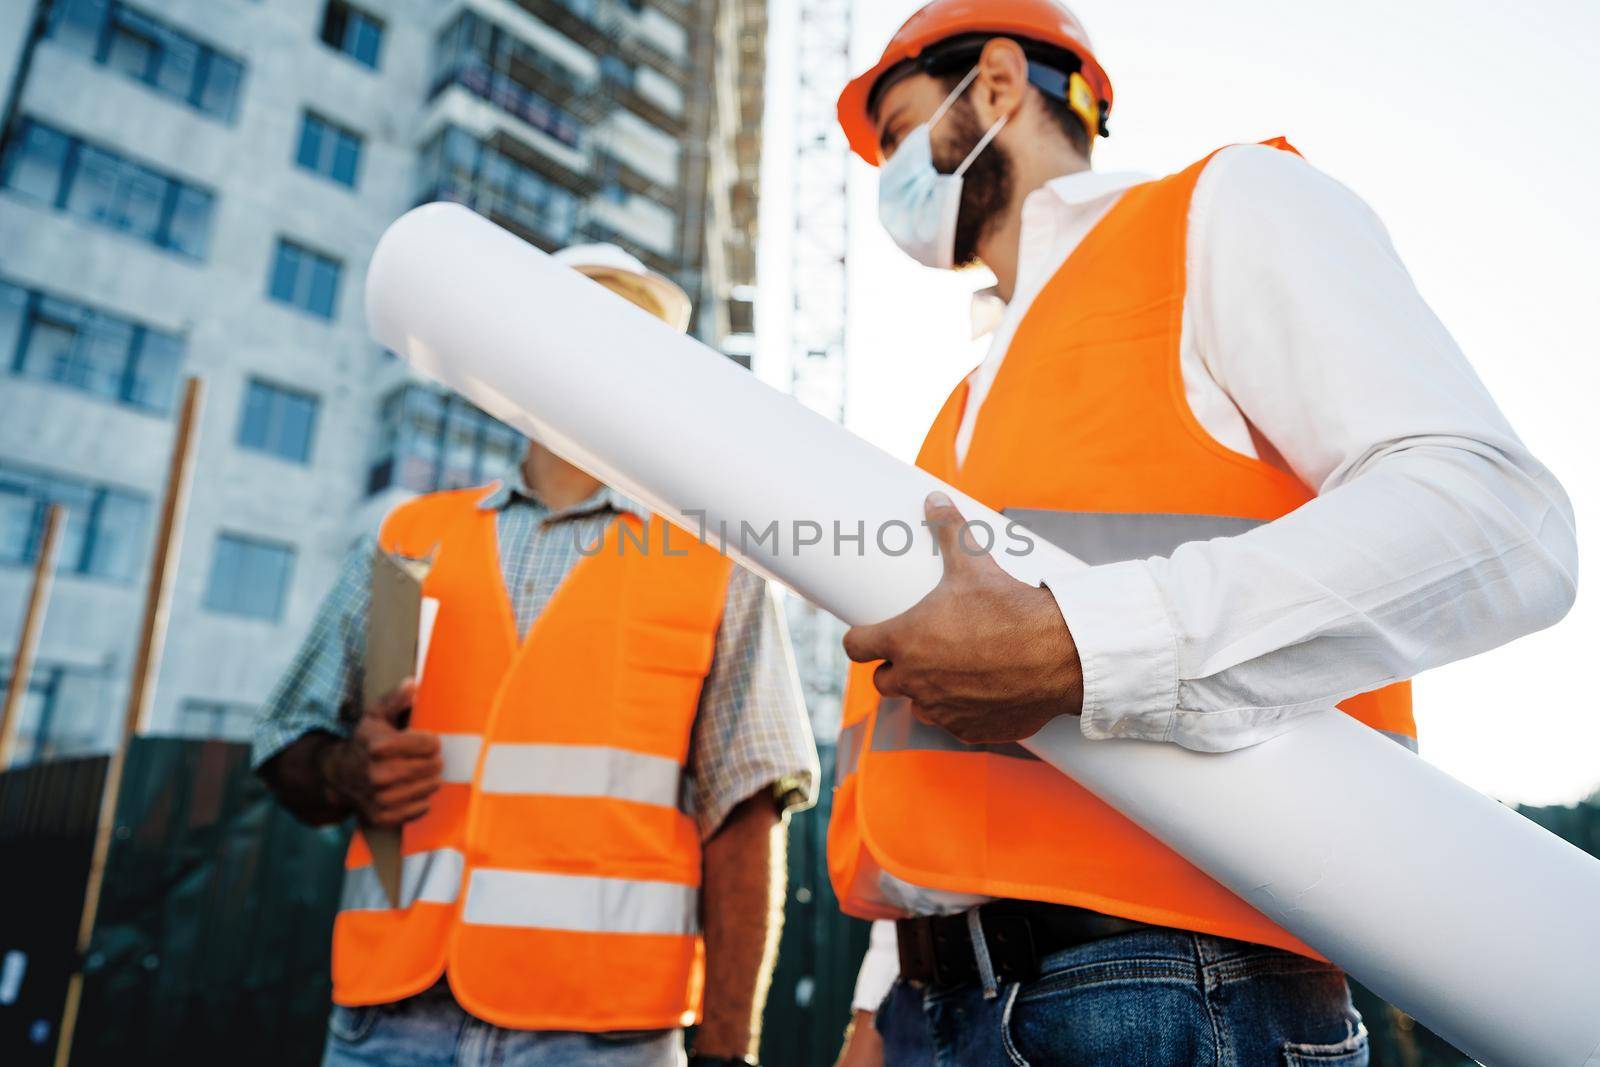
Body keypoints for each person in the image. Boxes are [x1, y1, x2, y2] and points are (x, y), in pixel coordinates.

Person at [827, 2, 1578, 1065]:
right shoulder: (963, 403)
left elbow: (1499, 522)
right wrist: (881, 995)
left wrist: (1083, 644)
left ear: (995, 86)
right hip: (937, 1004)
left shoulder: (1220, 211)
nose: (891, 176)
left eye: (900, 131)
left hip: (1179, 992)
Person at [253, 243, 819, 1067]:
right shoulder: (413, 540)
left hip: (607, 1032)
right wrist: (345, 771)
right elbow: (286, 742)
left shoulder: (712, 561)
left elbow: (745, 814)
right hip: (390, 1021)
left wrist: (729, 1051)